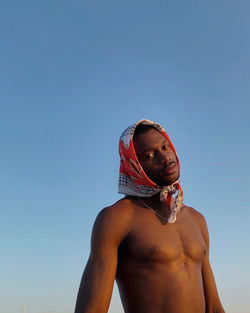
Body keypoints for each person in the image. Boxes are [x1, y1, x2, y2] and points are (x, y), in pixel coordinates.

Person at [74, 119, 225, 313]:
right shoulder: (117, 217)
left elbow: (213, 306)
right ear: (133, 165)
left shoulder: (196, 219)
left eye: (165, 146)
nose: (164, 157)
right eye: (149, 155)